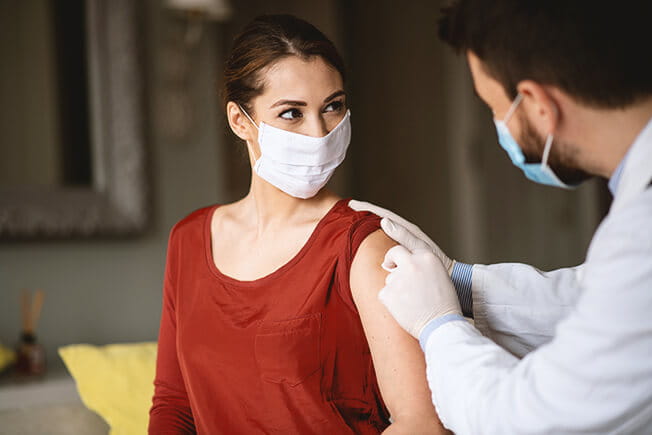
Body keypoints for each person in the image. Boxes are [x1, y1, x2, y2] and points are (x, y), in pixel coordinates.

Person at [351, 1, 652, 433]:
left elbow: (524, 419)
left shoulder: (640, 237)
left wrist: (439, 326)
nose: (500, 128)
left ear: (539, 105)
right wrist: (461, 283)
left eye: (495, 109)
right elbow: (598, 300)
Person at [148, 14, 446, 434]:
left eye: (333, 107)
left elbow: (422, 424)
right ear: (240, 121)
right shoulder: (189, 240)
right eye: (292, 113)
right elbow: (174, 404)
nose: (319, 132)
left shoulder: (362, 245)